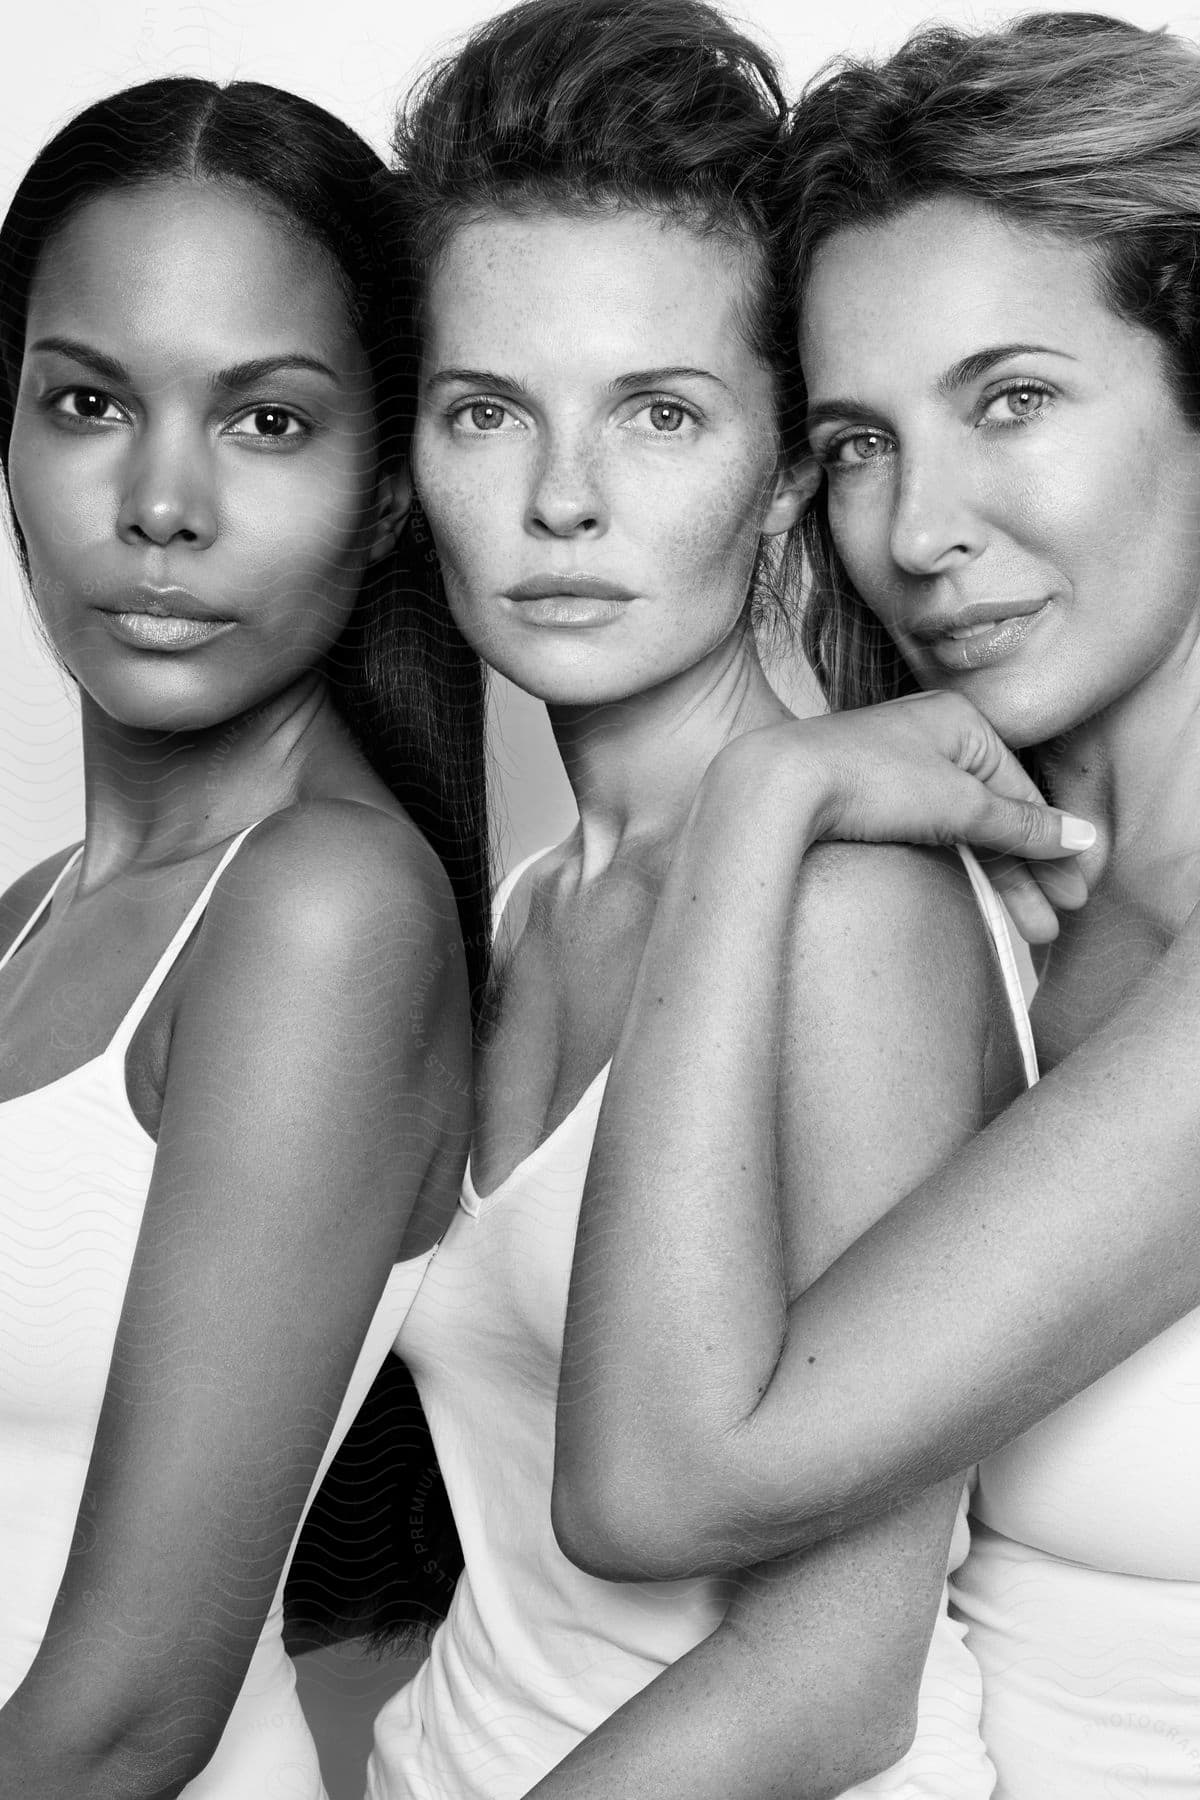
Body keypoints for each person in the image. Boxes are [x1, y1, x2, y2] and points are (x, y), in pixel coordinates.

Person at [366, 6, 1092, 1797]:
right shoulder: (525, 902)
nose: (558, 500)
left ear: (781, 481)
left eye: (658, 413)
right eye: (486, 412)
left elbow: (836, 1685)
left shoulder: (854, 906)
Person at [555, 14, 1200, 1796]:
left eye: (1013, 398)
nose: (918, 530)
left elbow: (653, 1484)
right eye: (855, 442)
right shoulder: (961, 905)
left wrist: (760, 801)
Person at [0, 75, 488, 1799]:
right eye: (86, 403)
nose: (160, 504)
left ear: (381, 489)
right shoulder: (28, 921)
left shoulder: (321, 914)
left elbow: (132, 1713)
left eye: (267, 420)